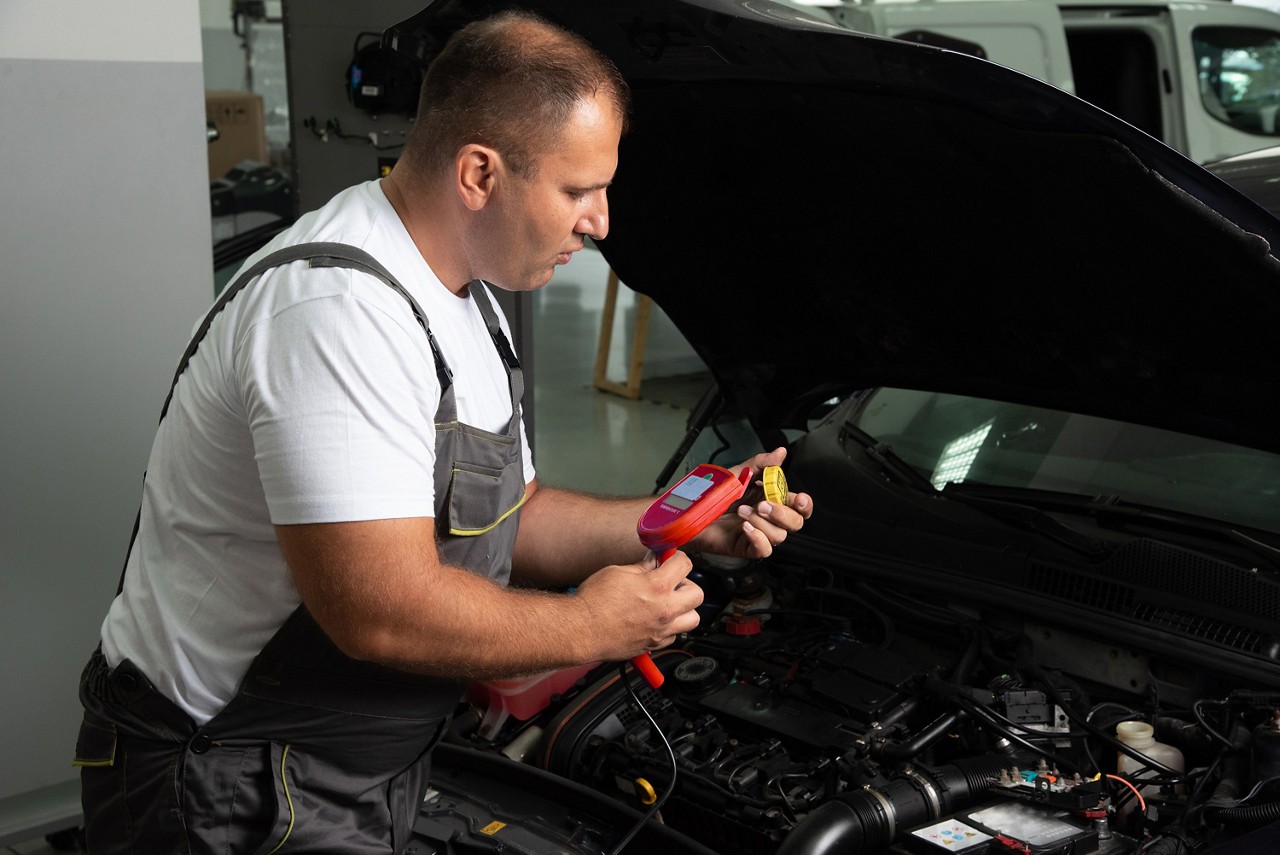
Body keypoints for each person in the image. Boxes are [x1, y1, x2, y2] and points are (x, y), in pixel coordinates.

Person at [75, 10, 813, 853]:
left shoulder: (463, 295)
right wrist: (592, 626)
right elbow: (378, 613)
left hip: (351, 763)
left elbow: (513, 517)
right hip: (229, 784)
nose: (601, 221)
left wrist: (680, 524)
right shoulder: (339, 311)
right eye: (578, 190)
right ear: (478, 173)